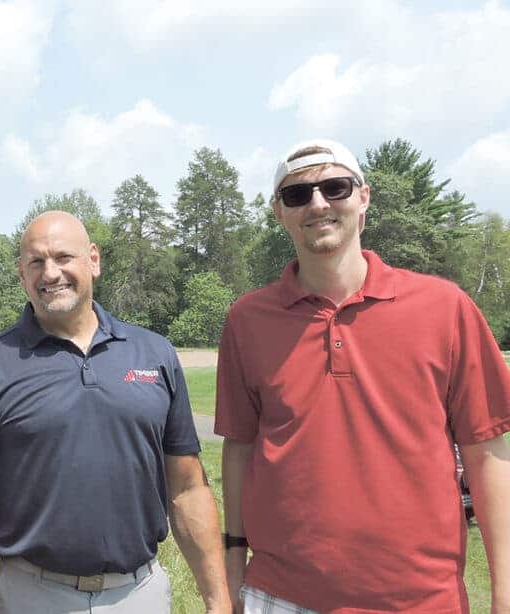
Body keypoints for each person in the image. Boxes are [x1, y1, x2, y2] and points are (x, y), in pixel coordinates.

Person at [216, 138, 510, 613]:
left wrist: (505, 591)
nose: (317, 204)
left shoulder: (444, 307)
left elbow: (487, 451)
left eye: (335, 187)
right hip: (281, 596)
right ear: (278, 213)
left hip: (420, 600)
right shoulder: (248, 320)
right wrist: (232, 559)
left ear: (363, 197)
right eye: (297, 195)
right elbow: (241, 449)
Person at [0, 211, 230, 614]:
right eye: (36, 262)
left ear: (93, 260)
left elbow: (187, 488)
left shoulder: (154, 354)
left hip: (139, 594)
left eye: (64, 257)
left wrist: (218, 601)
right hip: (33, 596)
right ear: (20, 274)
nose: (51, 273)